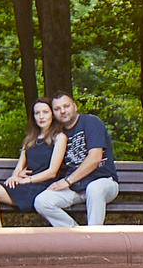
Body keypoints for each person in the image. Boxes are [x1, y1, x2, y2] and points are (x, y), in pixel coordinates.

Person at [0, 100, 63, 229]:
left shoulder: (59, 137)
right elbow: (19, 166)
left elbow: (52, 172)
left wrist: (26, 180)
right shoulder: (30, 139)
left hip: (41, 187)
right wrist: (15, 176)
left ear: (52, 114)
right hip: (25, 185)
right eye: (37, 113)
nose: (41, 116)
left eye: (45, 112)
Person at [35, 91, 120, 227]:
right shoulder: (58, 135)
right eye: (57, 109)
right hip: (76, 188)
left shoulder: (91, 122)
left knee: (94, 188)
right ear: (53, 113)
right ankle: (77, 235)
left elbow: (95, 158)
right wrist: (20, 172)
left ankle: (94, 235)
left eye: (66, 106)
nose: (62, 111)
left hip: (103, 183)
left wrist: (68, 181)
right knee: (42, 201)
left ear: (74, 106)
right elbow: (43, 162)